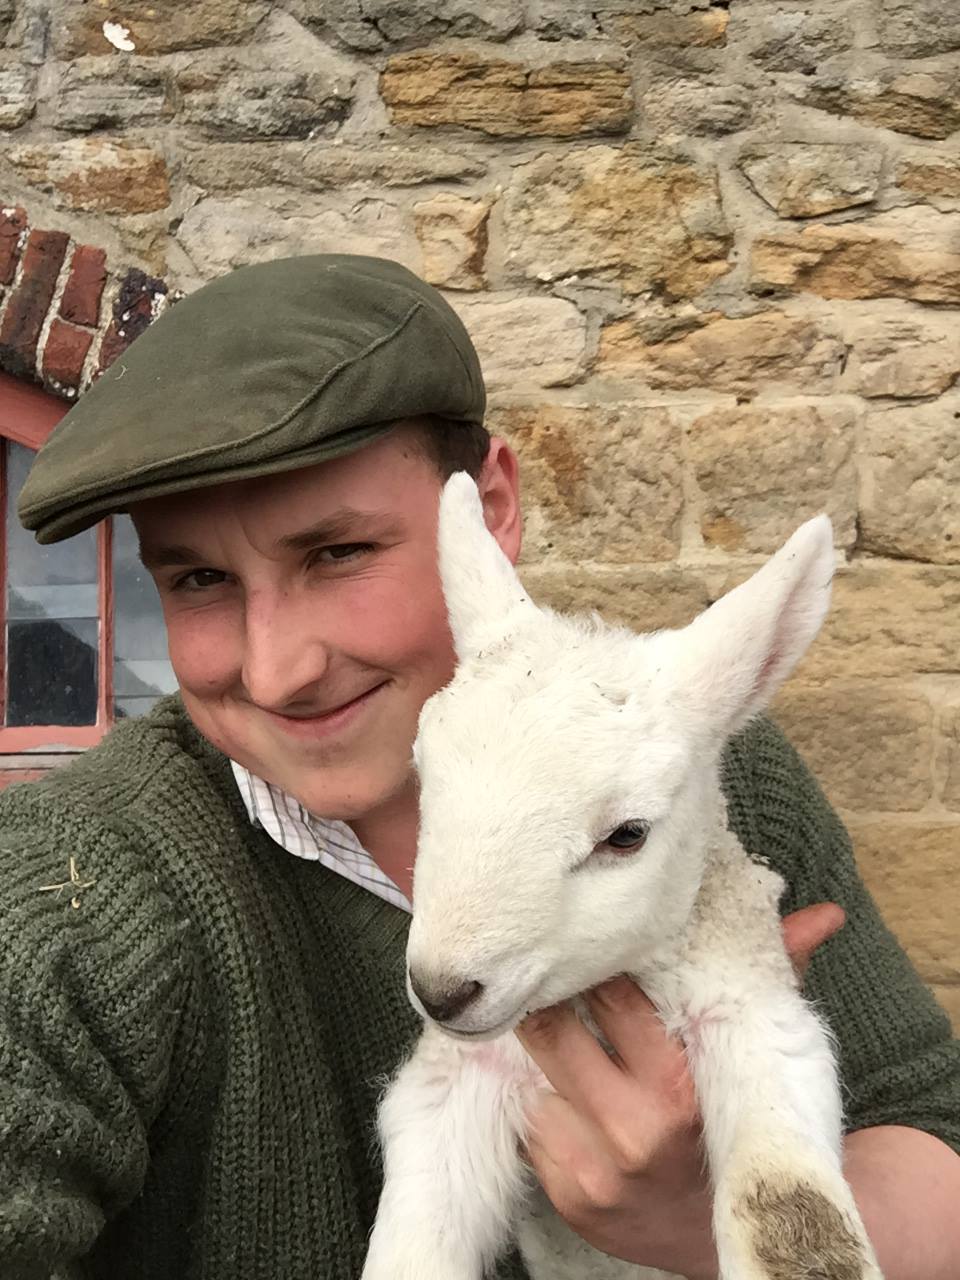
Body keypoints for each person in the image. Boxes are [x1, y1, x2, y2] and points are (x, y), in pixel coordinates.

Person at [3, 254, 959, 1280]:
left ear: (490, 509)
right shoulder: (83, 891)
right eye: (196, 578)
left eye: (337, 553)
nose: (279, 670)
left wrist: (685, 1217)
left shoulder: (708, 770)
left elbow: (927, 1133)